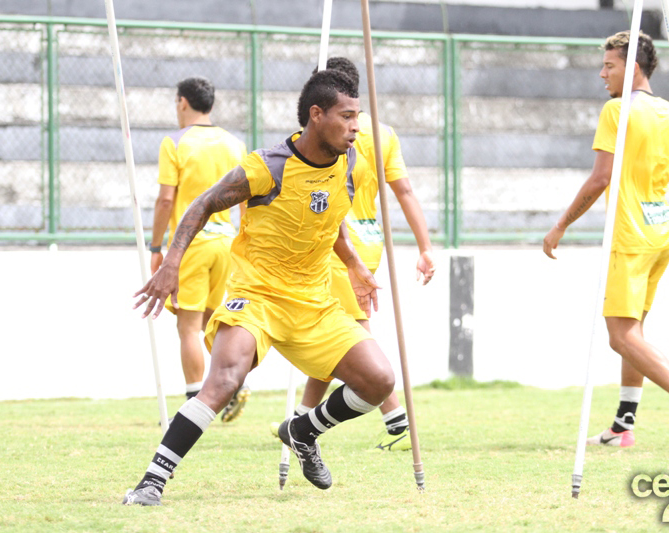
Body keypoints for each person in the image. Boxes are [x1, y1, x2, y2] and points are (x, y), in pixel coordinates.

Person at [124, 68, 395, 506]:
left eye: (357, 116)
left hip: (314, 302)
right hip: (256, 296)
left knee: (380, 381)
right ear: (316, 114)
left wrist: (355, 266)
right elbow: (202, 203)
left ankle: (302, 432)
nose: (356, 127)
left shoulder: (350, 160)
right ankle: (150, 483)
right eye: (347, 117)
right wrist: (170, 261)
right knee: (225, 379)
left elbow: (333, 217)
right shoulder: (268, 166)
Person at [542, 31, 669, 452]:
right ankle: (623, 425)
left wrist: (561, 225)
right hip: (662, 237)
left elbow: (600, 179)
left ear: (632, 68)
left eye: (609, 65)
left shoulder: (617, 110)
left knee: (620, 336)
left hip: (630, 236)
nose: (601, 73)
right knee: (634, 332)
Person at [270, 57, 435, 452]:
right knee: (333, 333)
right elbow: (405, 192)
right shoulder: (385, 134)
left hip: (334, 244)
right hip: (369, 240)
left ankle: (395, 418)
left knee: (351, 335)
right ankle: (299, 423)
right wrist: (425, 246)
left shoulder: (321, 132)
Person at [150, 77, 250, 423]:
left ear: (182, 103)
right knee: (214, 322)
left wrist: (156, 247)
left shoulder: (175, 142)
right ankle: (233, 385)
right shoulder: (235, 144)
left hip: (191, 244)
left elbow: (166, 199)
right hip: (227, 243)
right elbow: (246, 201)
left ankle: (194, 404)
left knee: (188, 328)